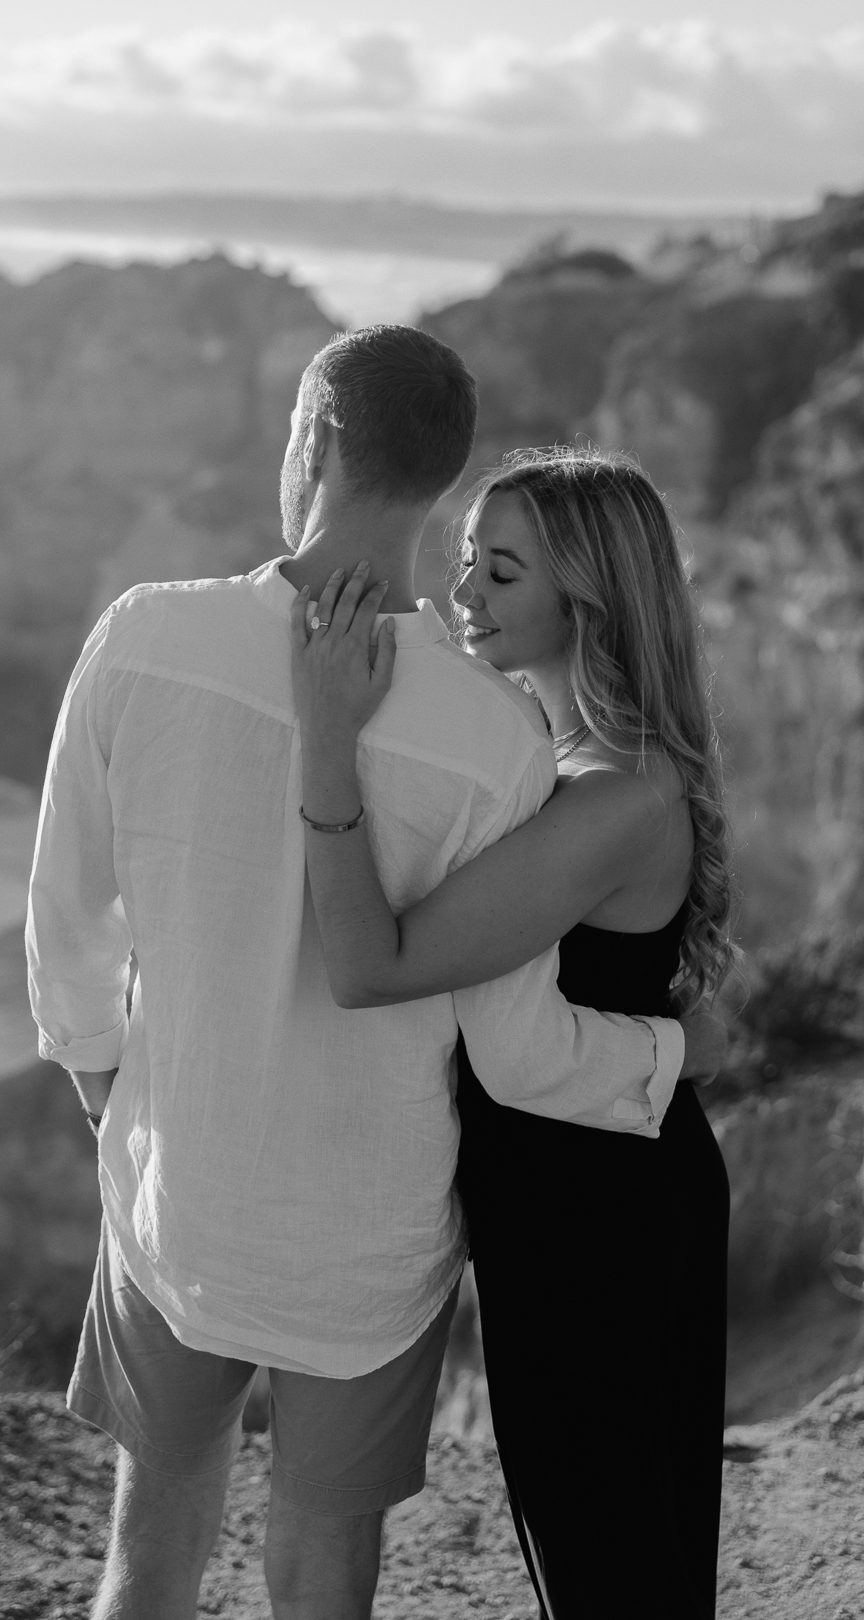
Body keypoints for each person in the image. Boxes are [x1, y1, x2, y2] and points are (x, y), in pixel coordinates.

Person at [26, 329, 723, 1620]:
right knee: (325, 1581)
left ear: (312, 441)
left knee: (149, 1553)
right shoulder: (499, 739)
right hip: (368, 1238)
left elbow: (65, 923)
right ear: (442, 481)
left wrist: (113, 1098)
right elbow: (510, 1037)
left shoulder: (141, 637)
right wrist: (681, 1053)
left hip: (180, 1194)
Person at [289, 443, 734, 1620]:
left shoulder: (611, 793)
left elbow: (371, 964)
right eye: (466, 566)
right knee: (608, 1550)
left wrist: (324, 743)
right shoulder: (563, 765)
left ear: (586, 598)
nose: (460, 600)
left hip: (603, 1224)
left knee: (615, 1561)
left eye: (500, 575)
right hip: (570, 1203)